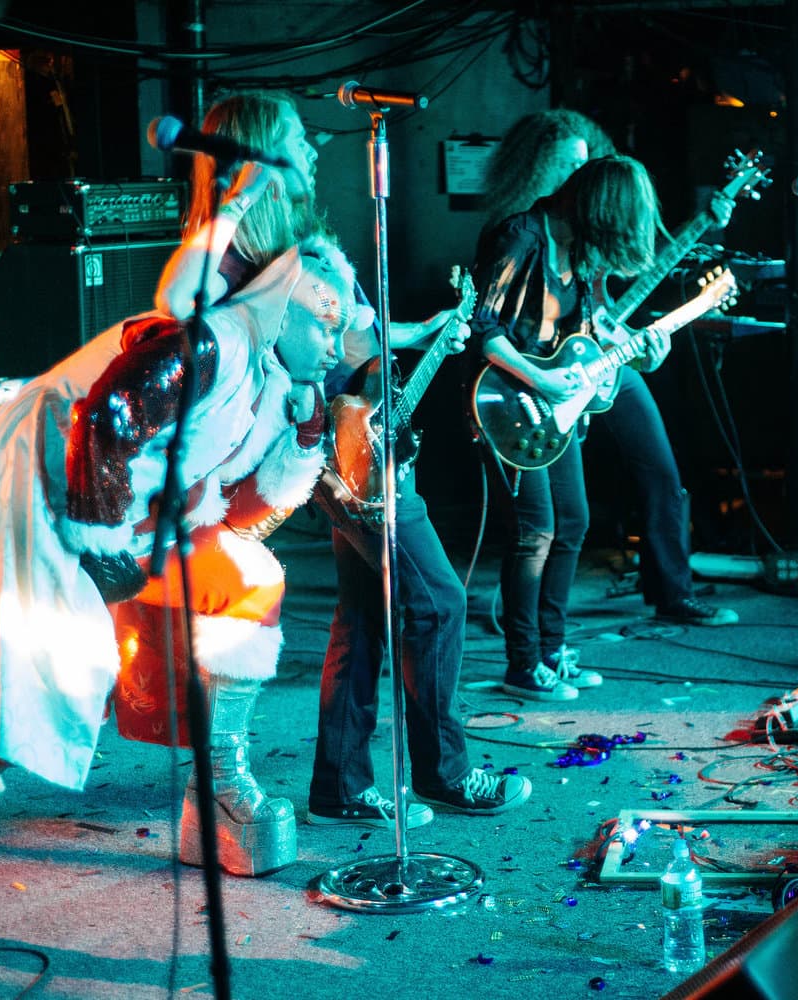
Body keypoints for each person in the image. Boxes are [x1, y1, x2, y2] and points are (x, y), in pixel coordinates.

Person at [0, 239, 353, 950]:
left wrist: (305, 436)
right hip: (55, 498)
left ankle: (217, 786)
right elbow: (107, 421)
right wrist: (106, 552)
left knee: (249, 576)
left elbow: (236, 515)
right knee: (46, 675)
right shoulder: (213, 344)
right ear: (280, 307)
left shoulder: (278, 379)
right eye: (326, 321)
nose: (337, 343)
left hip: (136, 520)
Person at [154, 91, 530, 828]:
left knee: (364, 613)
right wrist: (238, 199)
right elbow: (185, 309)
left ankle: (341, 786)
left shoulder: (303, 239)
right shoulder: (232, 252)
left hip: (359, 432)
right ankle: (446, 774)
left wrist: (420, 332)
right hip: (328, 449)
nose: (313, 148)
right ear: (260, 150)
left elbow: (353, 335)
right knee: (439, 600)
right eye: (297, 138)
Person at [480, 109, 739, 664]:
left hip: (562, 396)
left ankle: (554, 650)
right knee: (536, 532)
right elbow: (484, 329)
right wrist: (544, 378)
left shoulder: (578, 249)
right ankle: (525, 660)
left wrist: (641, 351)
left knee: (575, 520)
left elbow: (590, 331)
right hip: (515, 398)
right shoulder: (520, 236)